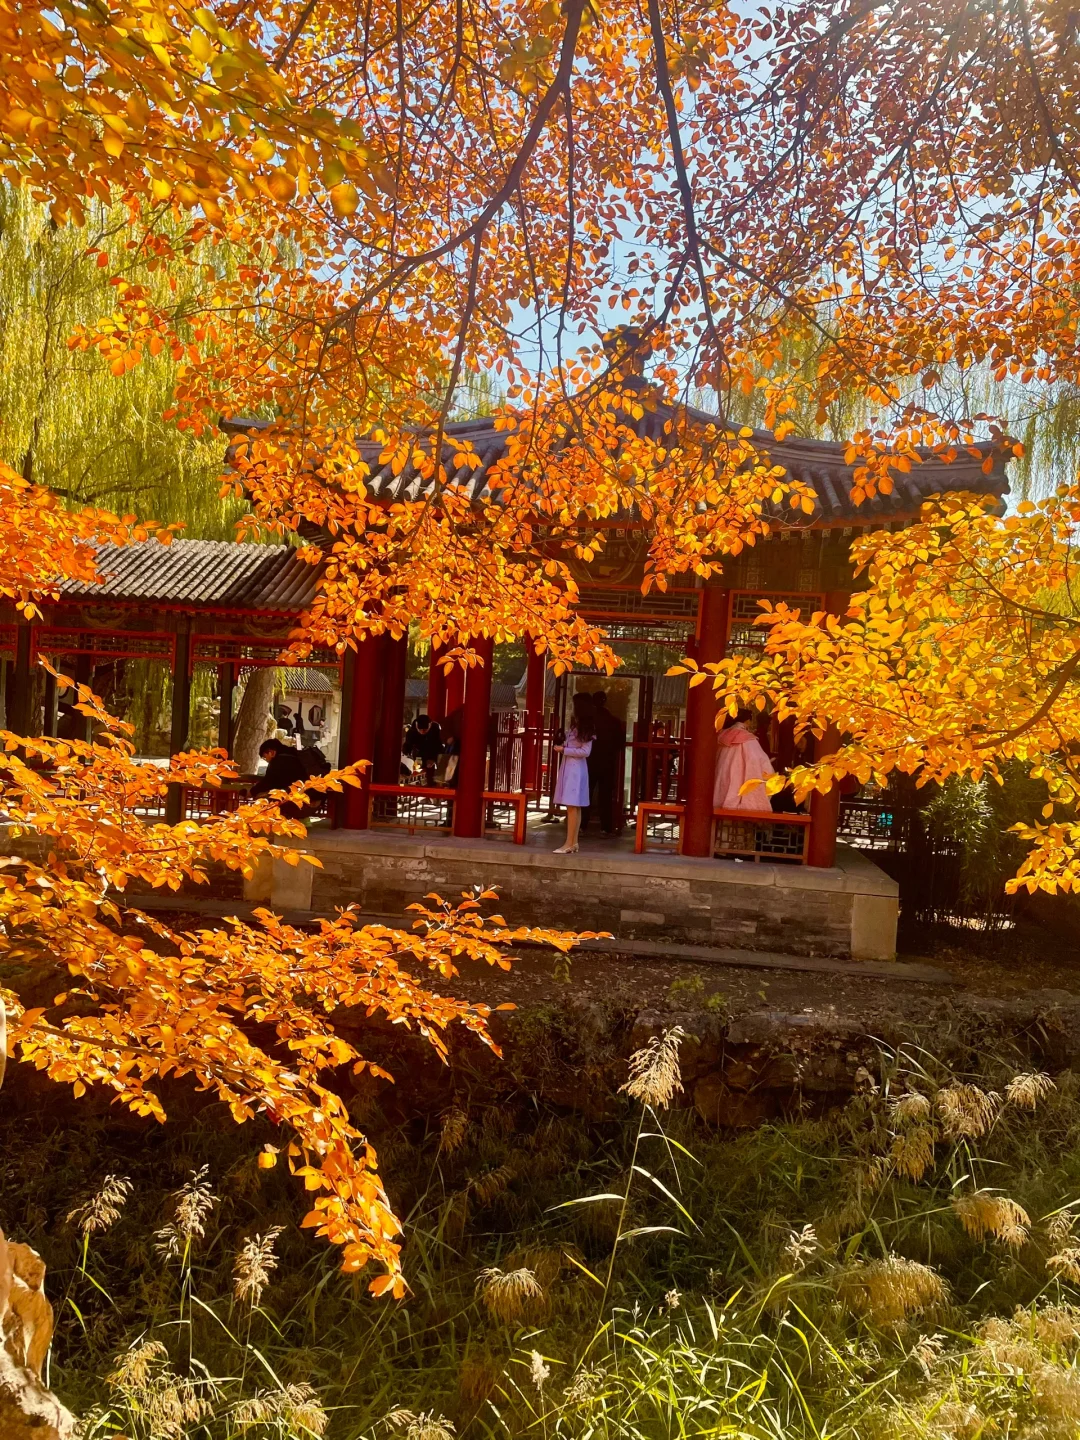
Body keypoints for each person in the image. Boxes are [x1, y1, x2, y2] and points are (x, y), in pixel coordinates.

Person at [552, 693, 595, 854]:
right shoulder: (578, 725)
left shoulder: (586, 727)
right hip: (571, 766)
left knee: (572, 806)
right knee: (574, 806)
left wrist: (565, 750)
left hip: (575, 769)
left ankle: (569, 843)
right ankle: (574, 842)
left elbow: (585, 751)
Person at [713, 710, 775, 811]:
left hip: (721, 783)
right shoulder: (748, 740)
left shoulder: (722, 736)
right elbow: (760, 763)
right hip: (740, 784)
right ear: (747, 721)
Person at [587, 691, 625, 834]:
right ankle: (606, 827)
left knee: (586, 793)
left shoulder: (588, 720)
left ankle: (582, 825)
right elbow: (620, 744)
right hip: (608, 762)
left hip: (589, 762)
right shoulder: (614, 721)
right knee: (606, 796)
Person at [251, 737, 311, 819]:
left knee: (263, 799)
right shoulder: (295, 755)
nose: (267, 760)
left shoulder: (277, 762)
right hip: (311, 797)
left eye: (265, 757)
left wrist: (253, 791)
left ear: (271, 752)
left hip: (295, 801)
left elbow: (268, 782)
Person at [404, 712, 443, 785]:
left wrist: (434, 759)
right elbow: (408, 746)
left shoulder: (436, 729)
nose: (422, 732)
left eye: (425, 730)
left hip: (432, 753)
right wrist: (408, 758)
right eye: (420, 729)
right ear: (416, 725)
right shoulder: (412, 731)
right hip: (418, 755)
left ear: (430, 725)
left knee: (431, 775)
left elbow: (439, 747)